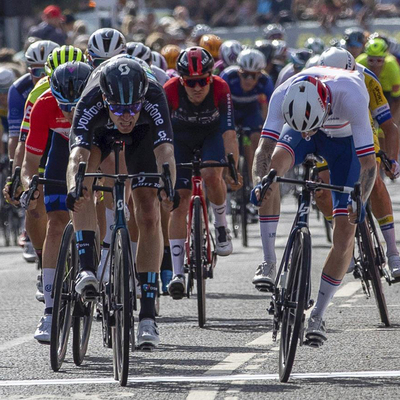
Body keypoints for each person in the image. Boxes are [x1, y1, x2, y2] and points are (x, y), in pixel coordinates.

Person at [251, 66, 376, 344]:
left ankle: (318, 313)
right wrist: (259, 182)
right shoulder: (283, 93)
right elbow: (263, 149)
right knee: (271, 174)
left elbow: (369, 164)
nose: (307, 135)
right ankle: (269, 261)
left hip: (343, 143)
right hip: (298, 127)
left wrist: (361, 199)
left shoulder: (352, 95)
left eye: (310, 128)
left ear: (327, 106)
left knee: (345, 231)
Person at [65, 55, 176, 349]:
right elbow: (77, 157)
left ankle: (148, 317)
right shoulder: (90, 100)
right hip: (99, 134)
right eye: (118, 109)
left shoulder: (153, 96)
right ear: (105, 98)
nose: (125, 116)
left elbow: (165, 153)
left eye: (132, 109)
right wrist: (74, 188)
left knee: (150, 211)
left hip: (144, 137)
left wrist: (169, 187)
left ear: (142, 98)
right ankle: (88, 268)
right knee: (84, 184)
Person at [20, 61, 92, 342]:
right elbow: (30, 165)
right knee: (56, 223)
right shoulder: (45, 104)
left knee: (93, 205)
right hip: (62, 148)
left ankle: (102, 266)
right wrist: (29, 187)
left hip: (92, 146)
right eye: (65, 107)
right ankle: (50, 312)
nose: (71, 112)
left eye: (76, 106)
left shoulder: (97, 103)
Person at [164, 46, 240, 298]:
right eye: (191, 82)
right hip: (180, 140)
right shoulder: (170, 90)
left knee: (211, 174)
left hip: (211, 136)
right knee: (180, 200)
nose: (197, 88)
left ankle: (220, 225)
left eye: (202, 81)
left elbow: (229, 132)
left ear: (210, 78)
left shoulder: (220, 88)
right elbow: (161, 136)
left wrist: (233, 168)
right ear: (181, 80)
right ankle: (177, 273)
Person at [317, 47, 400, 277]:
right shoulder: (312, 78)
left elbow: (389, 126)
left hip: (359, 130)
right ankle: (342, 246)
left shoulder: (367, 79)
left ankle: (393, 252)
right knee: (322, 190)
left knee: (374, 184)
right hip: (327, 134)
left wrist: (391, 160)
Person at [220, 48, 273, 184]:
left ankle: (254, 181)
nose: (249, 80)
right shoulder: (227, 77)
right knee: (228, 140)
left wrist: (265, 128)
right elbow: (217, 104)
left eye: (253, 76)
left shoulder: (266, 81)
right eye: (245, 75)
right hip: (230, 110)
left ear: (260, 75)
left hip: (251, 112)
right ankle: (228, 178)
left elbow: (269, 108)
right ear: (239, 72)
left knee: (256, 140)